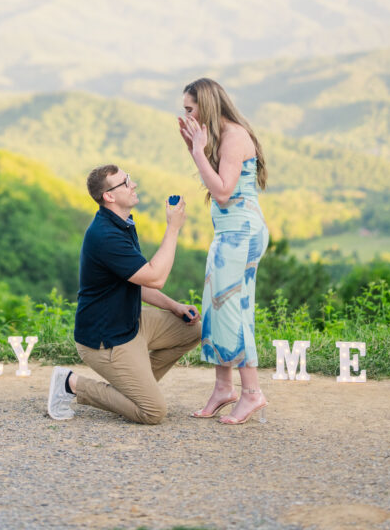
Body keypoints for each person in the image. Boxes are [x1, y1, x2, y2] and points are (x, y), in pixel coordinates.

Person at [47, 165, 201, 424]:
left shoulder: (122, 223)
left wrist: (174, 306)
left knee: (194, 329)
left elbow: (138, 281)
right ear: (109, 196)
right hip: (107, 339)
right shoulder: (105, 235)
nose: (134, 184)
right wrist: (173, 228)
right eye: (125, 182)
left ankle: (133, 389)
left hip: (131, 323)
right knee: (153, 412)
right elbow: (156, 277)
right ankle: (71, 384)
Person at [178, 77, 269, 425]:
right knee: (217, 309)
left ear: (206, 105)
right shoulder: (222, 135)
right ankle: (223, 388)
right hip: (230, 234)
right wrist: (193, 147)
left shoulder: (234, 137)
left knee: (233, 310)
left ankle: (251, 393)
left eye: (190, 109)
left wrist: (198, 151)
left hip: (240, 234)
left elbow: (223, 192)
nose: (186, 115)